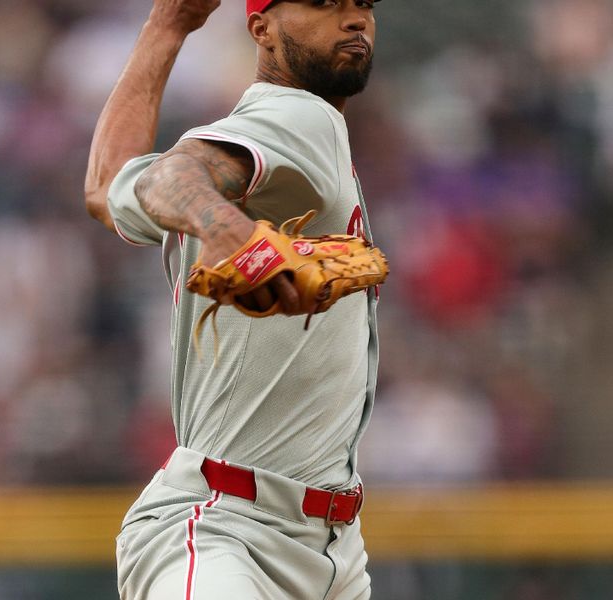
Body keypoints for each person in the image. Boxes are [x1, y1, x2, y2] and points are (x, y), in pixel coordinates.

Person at [85, 0, 381, 598]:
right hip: (228, 531)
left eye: (363, 4)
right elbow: (176, 176)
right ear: (260, 27)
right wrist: (228, 232)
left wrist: (167, 27)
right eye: (325, 4)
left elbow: (107, 185)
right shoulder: (300, 117)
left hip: (328, 551)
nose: (354, 19)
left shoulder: (300, 144)